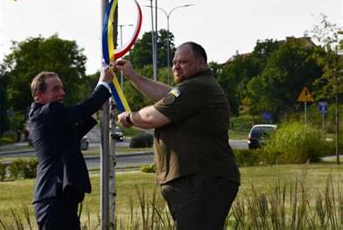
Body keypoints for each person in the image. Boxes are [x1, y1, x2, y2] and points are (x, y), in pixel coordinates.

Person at [115, 42, 240, 229]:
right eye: (174, 62)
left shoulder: (195, 87)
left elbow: (151, 118)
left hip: (200, 181)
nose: (176, 66)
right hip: (202, 180)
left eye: (183, 62)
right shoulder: (195, 88)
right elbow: (165, 95)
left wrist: (129, 117)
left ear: (201, 63)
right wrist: (132, 76)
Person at [28, 68, 113, 230]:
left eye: (62, 88)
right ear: (39, 95)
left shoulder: (44, 116)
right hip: (53, 199)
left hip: (58, 197)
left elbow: (72, 134)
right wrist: (104, 83)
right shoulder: (48, 112)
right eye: (55, 89)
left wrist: (95, 107)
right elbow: (80, 111)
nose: (62, 93)